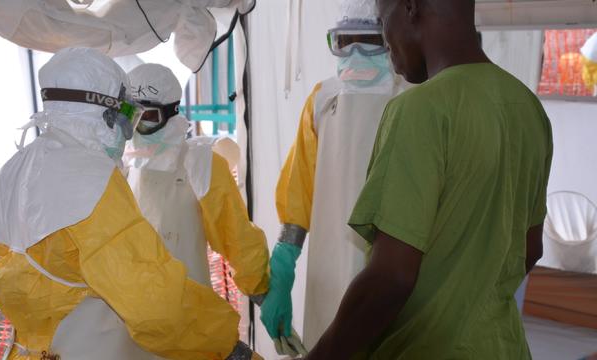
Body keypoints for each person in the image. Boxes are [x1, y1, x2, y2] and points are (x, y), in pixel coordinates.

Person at [304, 0, 553, 358]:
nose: (384, 37)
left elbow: (391, 278)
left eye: (382, 16)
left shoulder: (418, 110)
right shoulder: (528, 108)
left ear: (409, 8)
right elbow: (529, 249)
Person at [0, 48, 260, 360]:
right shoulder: (92, 179)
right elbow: (152, 302)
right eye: (128, 116)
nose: (128, 132)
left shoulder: (15, 167)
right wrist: (228, 347)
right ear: (105, 113)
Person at [258, 0, 407, 354]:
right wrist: (282, 265)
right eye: (344, 41)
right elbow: (300, 184)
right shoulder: (321, 99)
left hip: (396, 261)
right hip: (330, 259)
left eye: (366, 40)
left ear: (388, 39)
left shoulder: (413, 98)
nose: (355, 53)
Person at [123, 63, 270, 298]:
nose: (138, 127)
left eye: (148, 116)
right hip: (129, 316)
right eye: (131, 114)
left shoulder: (199, 162)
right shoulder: (122, 167)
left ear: (171, 112)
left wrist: (262, 292)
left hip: (188, 315)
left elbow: (236, 236)